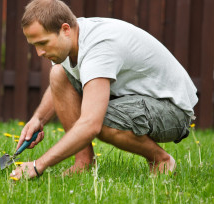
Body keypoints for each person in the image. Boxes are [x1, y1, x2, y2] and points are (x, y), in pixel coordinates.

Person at [10, 0, 198, 180]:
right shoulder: (70, 40)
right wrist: (38, 119)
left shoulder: (99, 48)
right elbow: (61, 83)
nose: (39, 52)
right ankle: (84, 162)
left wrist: (38, 165)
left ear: (65, 29)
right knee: (58, 73)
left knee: (102, 121)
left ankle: (161, 160)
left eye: (42, 43)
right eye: (34, 45)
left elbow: (91, 124)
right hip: (136, 99)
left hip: (172, 111)